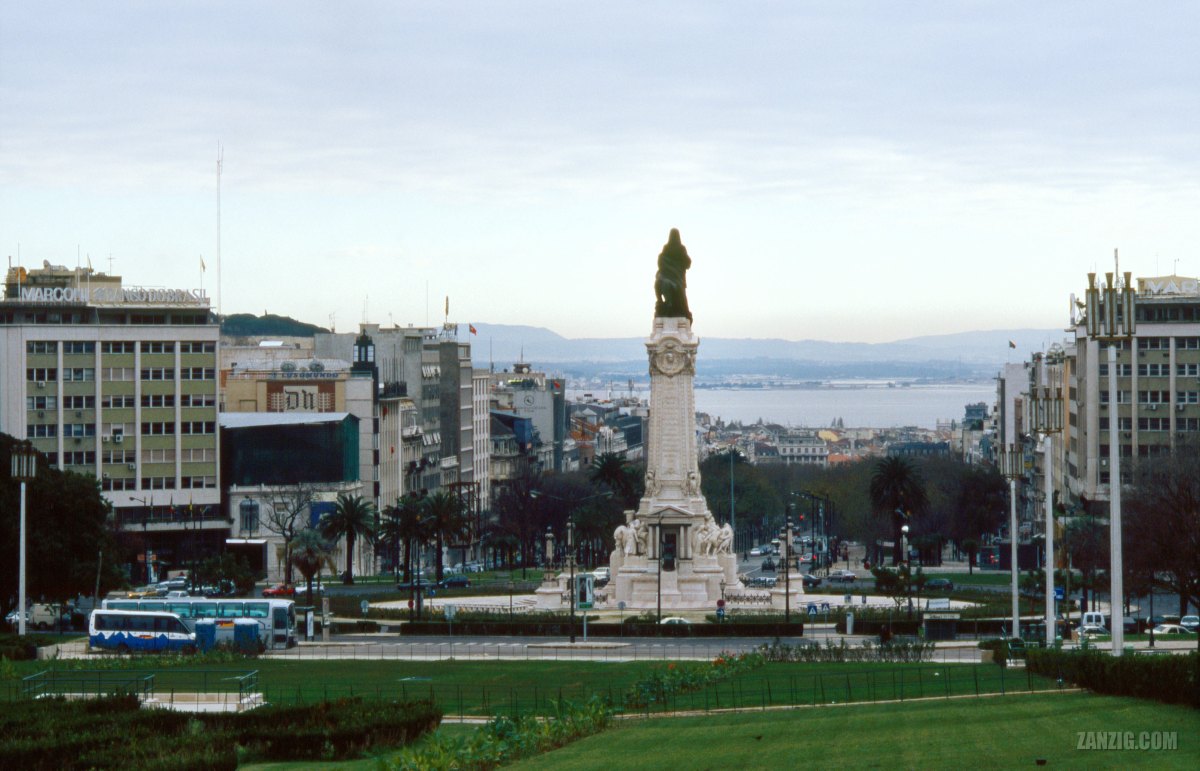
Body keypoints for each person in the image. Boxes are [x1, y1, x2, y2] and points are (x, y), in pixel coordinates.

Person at [654, 228, 692, 320]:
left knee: (658, 282)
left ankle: (662, 302)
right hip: (674, 277)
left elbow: (687, 264)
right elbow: (688, 263)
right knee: (658, 282)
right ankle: (662, 303)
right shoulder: (679, 248)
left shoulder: (671, 248)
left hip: (677, 278)